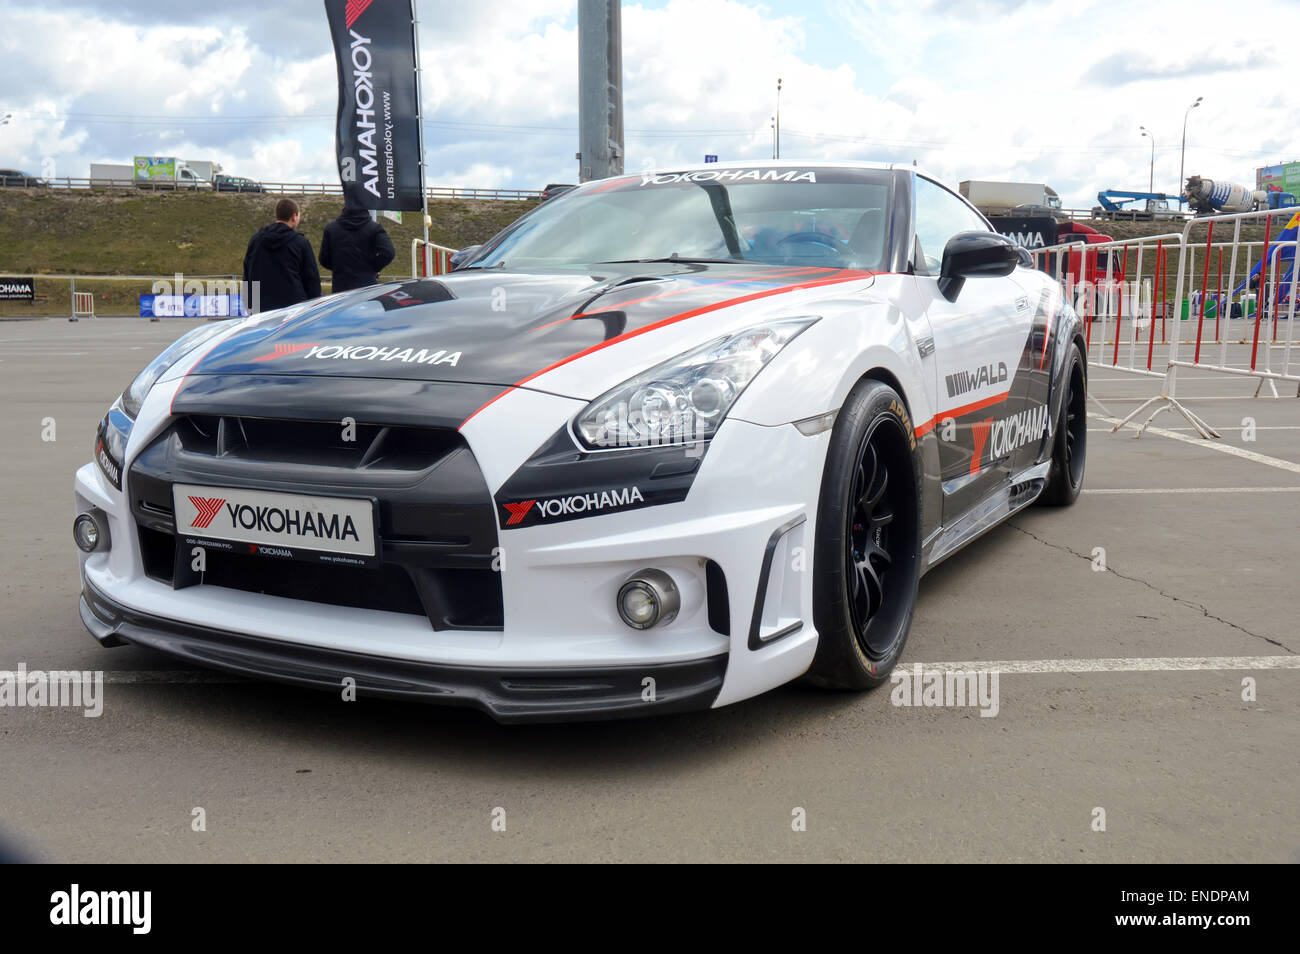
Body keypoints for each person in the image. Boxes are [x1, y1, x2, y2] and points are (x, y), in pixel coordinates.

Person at [242, 197, 321, 312]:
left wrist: (251, 307)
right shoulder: (300, 243)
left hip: (261, 310)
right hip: (293, 311)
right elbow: (312, 282)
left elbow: (247, 276)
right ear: (294, 217)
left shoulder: (256, 240)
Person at [318, 204, 397, 293]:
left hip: (340, 287)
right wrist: (374, 267)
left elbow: (323, 259)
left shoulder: (331, 229)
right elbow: (388, 253)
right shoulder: (374, 228)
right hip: (367, 287)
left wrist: (339, 267)